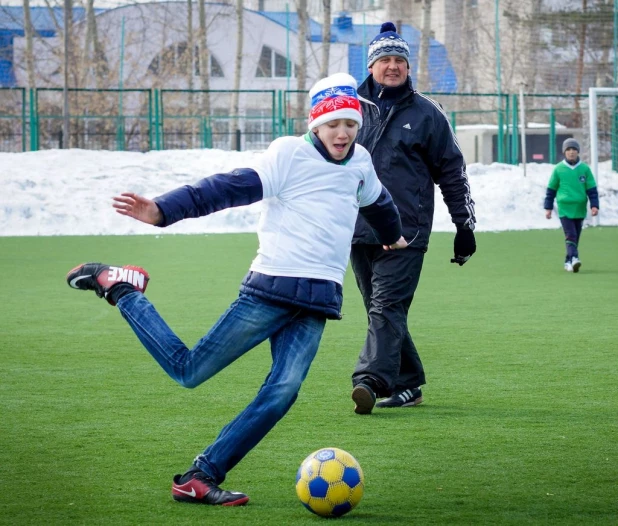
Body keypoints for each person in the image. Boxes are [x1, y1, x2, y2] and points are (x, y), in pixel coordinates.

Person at [66, 73, 407, 506]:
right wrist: (162, 210)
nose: (343, 133)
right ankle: (121, 288)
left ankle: (200, 476)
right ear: (315, 124)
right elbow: (227, 187)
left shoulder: (359, 162)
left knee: (282, 393)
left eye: (351, 125)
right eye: (333, 124)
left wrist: (391, 235)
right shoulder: (288, 155)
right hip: (270, 290)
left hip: (318, 302)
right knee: (189, 371)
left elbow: (378, 203)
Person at [349, 22, 477, 415]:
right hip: (357, 230)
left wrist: (463, 226)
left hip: (407, 232)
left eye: (399, 60)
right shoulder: (349, 110)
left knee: (386, 307)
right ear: (371, 66)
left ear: (408, 66)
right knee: (381, 309)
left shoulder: (427, 114)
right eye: (384, 59)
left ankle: (369, 380)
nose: (392, 66)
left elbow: (452, 173)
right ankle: (409, 385)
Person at [544, 137, 599, 272]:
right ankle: (574, 258)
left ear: (578, 151)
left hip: (579, 208)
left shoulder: (585, 169)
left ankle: (568, 261)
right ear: (564, 152)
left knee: (576, 236)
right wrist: (548, 207)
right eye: (568, 149)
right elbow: (551, 190)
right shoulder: (558, 169)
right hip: (565, 208)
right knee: (571, 234)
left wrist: (594, 205)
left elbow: (591, 190)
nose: (571, 152)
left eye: (574, 149)